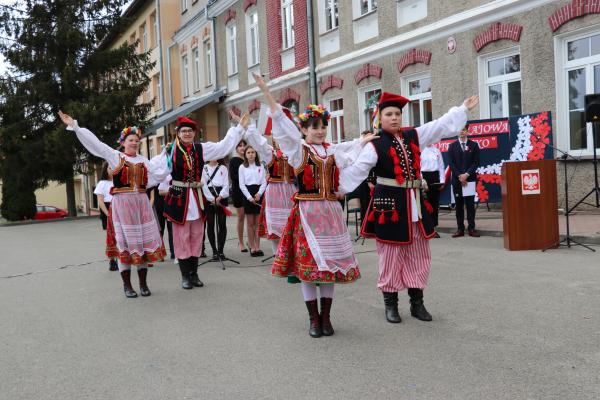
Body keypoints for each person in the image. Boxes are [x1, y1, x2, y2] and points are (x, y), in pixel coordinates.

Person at [339, 92, 479, 323]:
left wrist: (462, 109)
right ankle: (391, 304)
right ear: (380, 118)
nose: (394, 118)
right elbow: (357, 170)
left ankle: (417, 303)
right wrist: (339, 187)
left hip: (415, 205)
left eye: (397, 114)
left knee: (419, 255)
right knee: (390, 257)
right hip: (390, 207)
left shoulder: (413, 135)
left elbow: (439, 126)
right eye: (389, 114)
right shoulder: (375, 144)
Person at [254, 72, 374, 338]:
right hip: (307, 215)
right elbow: (283, 128)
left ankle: (326, 317)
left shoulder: (332, 151)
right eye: (314, 126)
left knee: (328, 266)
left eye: (322, 126)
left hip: (330, 214)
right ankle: (313, 319)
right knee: (309, 268)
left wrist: (364, 141)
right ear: (304, 130)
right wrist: (267, 94)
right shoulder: (298, 151)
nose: (319, 130)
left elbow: (350, 151)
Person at [59, 111, 168, 298]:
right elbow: (97, 145)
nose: (134, 143)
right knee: (125, 245)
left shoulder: (144, 161)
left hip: (141, 205)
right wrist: (75, 126)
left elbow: (157, 176)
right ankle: (127, 286)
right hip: (123, 205)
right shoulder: (116, 156)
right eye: (131, 140)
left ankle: (143, 284)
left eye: (137, 140)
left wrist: (169, 156)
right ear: (123, 142)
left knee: (141, 245)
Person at [157, 114, 248, 290]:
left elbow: (222, 147)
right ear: (178, 133)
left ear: (194, 133)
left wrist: (239, 128)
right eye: (184, 131)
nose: (187, 134)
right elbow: (157, 171)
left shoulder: (201, 148)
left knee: (197, 236)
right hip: (179, 199)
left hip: (197, 197)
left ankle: (194, 274)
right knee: (182, 239)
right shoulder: (171, 151)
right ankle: (185, 276)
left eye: (190, 131)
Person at [243, 112, 297, 257]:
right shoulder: (270, 153)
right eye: (279, 138)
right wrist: (250, 126)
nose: (282, 141)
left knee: (291, 223)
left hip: (290, 191)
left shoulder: (294, 153)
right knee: (275, 225)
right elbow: (259, 142)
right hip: (275, 192)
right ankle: (277, 254)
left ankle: (290, 254)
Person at [448, 124, 481, 238]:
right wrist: (460, 176)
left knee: (470, 205)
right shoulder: (452, 146)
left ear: (467, 131)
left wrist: (466, 175)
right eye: (460, 130)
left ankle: (471, 228)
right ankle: (460, 229)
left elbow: (476, 162)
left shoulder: (474, 145)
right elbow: (451, 163)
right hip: (457, 181)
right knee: (459, 206)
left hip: (469, 180)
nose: (461, 132)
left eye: (464, 130)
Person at [238, 146, 267, 257]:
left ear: (255, 154)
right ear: (245, 155)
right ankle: (252, 246)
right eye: (248, 152)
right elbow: (241, 184)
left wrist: (259, 194)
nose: (251, 154)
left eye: (252, 152)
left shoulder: (261, 166)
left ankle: (258, 246)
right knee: (250, 223)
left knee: (258, 223)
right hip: (248, 194)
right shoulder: (242, 167)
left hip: (258, 193)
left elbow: (264, 182)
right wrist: (249, 197)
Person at [201, 159, 230, 260]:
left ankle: (221, 251)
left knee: (222, 224)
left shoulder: (223, 168)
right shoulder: (204, 168)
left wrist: (220, 197)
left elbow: (226, 184)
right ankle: (214, 251)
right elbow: (203, 185)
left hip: (221, 196)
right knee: (210, 224)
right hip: (209, 196)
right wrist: (211, 198)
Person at [94, 162, 117, 271]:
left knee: (121, 236)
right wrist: (108, 214)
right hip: (108, 209)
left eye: (114, 167)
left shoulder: (119, 182)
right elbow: (100, 201)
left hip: (119, 208)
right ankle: (112, 260)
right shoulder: (102, 183)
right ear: (105, 170)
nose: (112, 169)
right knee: (111, 237)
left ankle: (122, 258)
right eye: (110, 168)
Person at [420, 143, 446, 237]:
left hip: (435, 177)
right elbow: (417, 167)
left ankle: (433, 229)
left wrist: (442, 181)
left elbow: (441, 167)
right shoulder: (420, 150)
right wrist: (422, 181)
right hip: (424, 177)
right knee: (424, 204)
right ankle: (425, 229)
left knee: (434, 204)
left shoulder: (437, 151)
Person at [229, 139, 249, 253]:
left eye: (244, 145)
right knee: (241, 216)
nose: (242, 147)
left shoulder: (250, 158)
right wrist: (246, 177)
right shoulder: (234, 161)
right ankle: (241, 242)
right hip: (238, 191)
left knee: (251, 218)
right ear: (236, 148)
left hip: (250, 190)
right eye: (239, 146)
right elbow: (233, 176)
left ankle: (251, 240)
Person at [157, 175, 175, 261]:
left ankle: (173, 252)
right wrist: (172, 191)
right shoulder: (162, 174)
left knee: (171, 229)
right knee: (160, 229)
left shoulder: (174, 175)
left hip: (171, 204)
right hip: (160, 203)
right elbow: (160, 192)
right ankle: (160, 253)